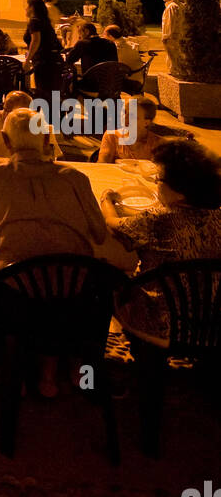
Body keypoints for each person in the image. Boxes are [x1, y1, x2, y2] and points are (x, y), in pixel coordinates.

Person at [101, 138, 221, 345]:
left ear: (181, 190)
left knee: (103, 277)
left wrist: (106, 200)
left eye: (159, 179)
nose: (156, 183)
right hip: (211, 324)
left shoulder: (157, 220)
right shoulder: (217, 216)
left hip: (163, 325)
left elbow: (113, 225)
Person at [0, 107, 107, 270]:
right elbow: (100, 234)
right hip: (73, 287)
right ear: (46, 139)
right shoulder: (75, 178)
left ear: (5, 139)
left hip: (16, 286)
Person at [0, 89, 64, 160]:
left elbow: (56, 157)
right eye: (5, 109)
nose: (6, 114)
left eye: (11, 112)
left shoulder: (39, 124)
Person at [96, 94, 185, 164]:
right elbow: (102, 165)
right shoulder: (112, 136)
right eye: (125, 112)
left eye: (132, 115)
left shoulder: (158, 144)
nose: (125, 118)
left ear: (147, 122)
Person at [22, 0, 62, 101]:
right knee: (53, 94)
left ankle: (48, 116)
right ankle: (55, 116)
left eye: (27, 6)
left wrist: (27, 60)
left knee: (44, 92)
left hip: (43, 62)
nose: (25, 9)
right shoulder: (45, 21)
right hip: (54, 60)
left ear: (32, 8)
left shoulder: (34, 21)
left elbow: (35, 41)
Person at [102, 25, 144, 90]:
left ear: (110, 36)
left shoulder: (116, 48)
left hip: (131, 82)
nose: (102, 36)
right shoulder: (130, 43)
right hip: (138, 78)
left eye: (104, 34)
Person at [161, 0, 184, 76]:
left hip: (172, 38)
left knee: (173, 57)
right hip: (177, 36)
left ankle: (175, 74)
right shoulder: (178, 5)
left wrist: (166, 36)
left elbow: (170, 23)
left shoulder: (171, 7)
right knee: (175, 57)